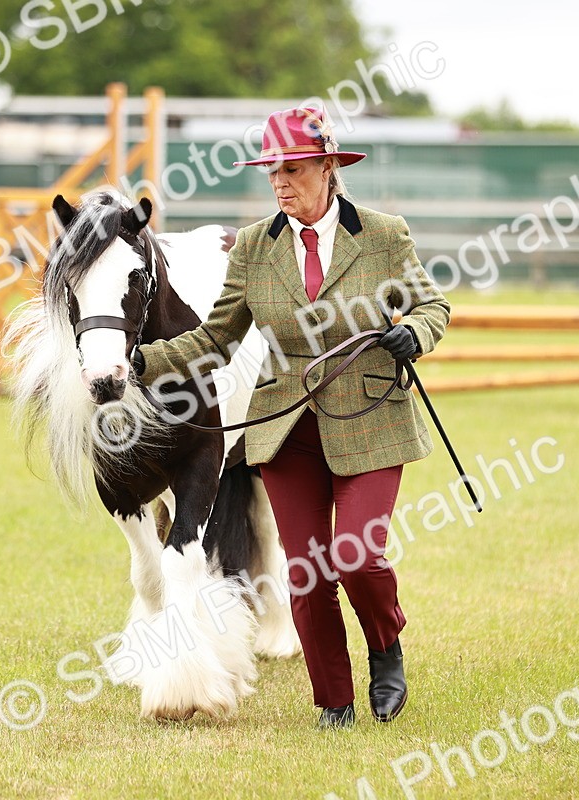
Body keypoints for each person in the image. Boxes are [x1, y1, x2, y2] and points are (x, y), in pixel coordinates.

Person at [133, 107, 451, 729]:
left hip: (370, 418)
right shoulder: (255, 247)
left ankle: (385, 644)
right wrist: (141, 361)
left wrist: (414, 331)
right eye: (272, 172)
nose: (280, 183)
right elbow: (216, 339)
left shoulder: (384, 235)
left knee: (358, 557)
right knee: (305, 574)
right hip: (284, 428)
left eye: (294, 170)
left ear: (328, 168)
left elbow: (432, 304)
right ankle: (334, 700)